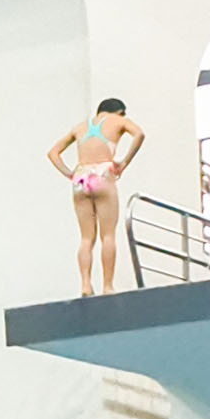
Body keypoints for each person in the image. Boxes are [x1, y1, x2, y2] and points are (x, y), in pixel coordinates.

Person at [47, 97, 146, 295]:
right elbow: (139, 134)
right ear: (119, 112)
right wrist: (124, 161)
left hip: (81, 178)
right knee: (107, 235)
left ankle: (85, 284)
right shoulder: (119, 121)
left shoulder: (80, 127)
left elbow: (53, 152)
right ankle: (107, 286)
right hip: (103, 174)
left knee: (86, 238)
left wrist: (69, 173)